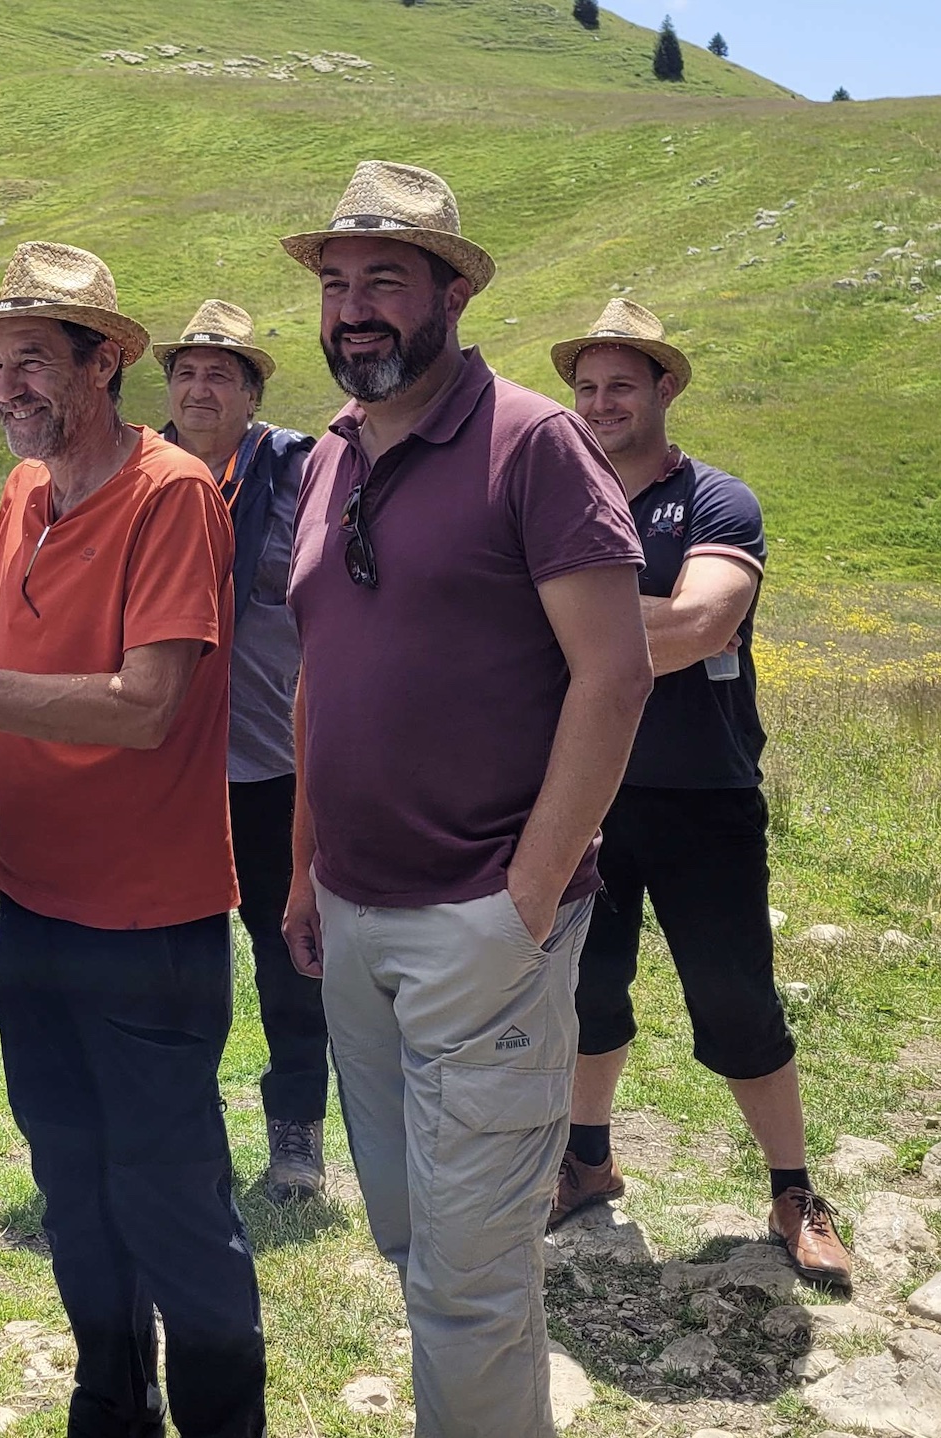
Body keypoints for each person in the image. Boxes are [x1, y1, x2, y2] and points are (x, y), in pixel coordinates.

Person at [0, 242, 265, 1438]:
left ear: (105, 361)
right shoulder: (27, 492)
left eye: (33, 358)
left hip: (151, 922)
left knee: (173, 1204)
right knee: (74, 1190)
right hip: (35, 907)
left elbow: (146, 705)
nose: (9, 384)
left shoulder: (173, 494)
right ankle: (111, 1405)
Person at [278, 162, 652, 1438]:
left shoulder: (534, 443)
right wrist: (304, 867)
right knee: (408, 1233)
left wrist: (526, 898)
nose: (353, 308)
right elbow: (321, 675)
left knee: (471, 1278)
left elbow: (615, 674)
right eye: (335, 283)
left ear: (452, 293)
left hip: (483, 924)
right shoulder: (331, 455)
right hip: (352, 913)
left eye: (385, 278)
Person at [549, 299, 852, 1288]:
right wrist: (625, 616)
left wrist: (562, 616)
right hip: (583, 787)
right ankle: (588, 1162)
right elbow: (652, 622)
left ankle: (794, 1192)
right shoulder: (556, 501)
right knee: (586, 989)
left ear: (665, 388)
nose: (602, 403)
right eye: (587, 387)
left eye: (621, 386)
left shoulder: (717, 499)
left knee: (734, 997)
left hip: (703, 793)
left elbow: (701, 628)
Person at [153, 300, 323, 1203]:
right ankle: (181, 1129)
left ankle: (296, 1135)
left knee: (288, 950)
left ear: (254, 394)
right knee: (175, 959)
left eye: (221, 374)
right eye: (185, 372)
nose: (199, 389)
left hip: (274, 762)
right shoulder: (138, 475)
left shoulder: (301, 473)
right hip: (164, 763)